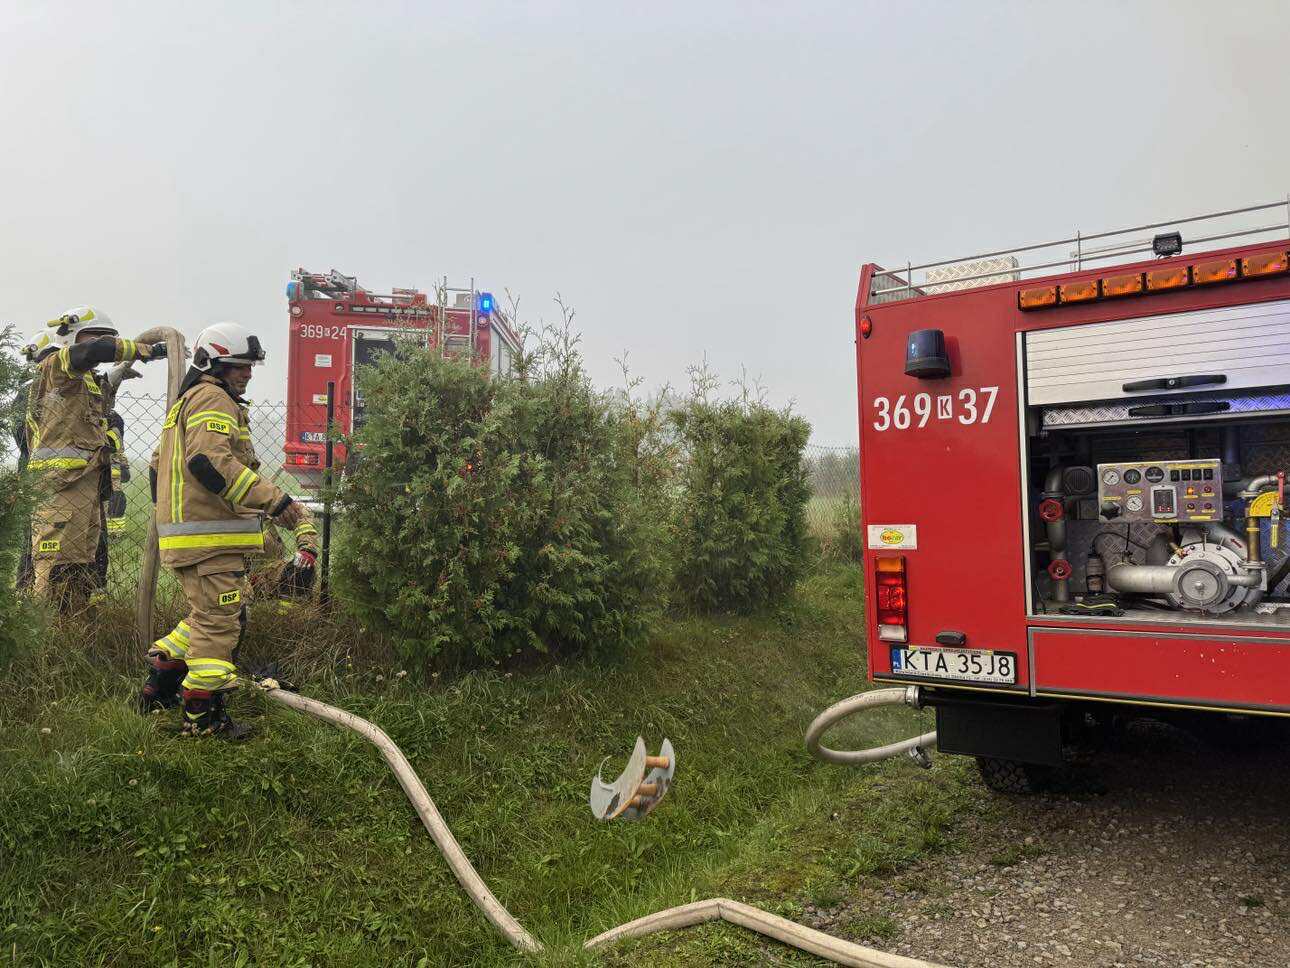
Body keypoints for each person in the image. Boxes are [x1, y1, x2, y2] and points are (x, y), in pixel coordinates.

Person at [140, 322, 317, 738]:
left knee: (209, 614)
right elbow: (210, 463)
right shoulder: (213, 399)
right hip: (207, 540)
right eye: (239, 365)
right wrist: (275, 501)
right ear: (211, 364)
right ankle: (203, 717)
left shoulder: (189, 401)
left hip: (194, 537)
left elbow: (157, 467)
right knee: (220, 623)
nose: (248, 373)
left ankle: (164, 673)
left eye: (250, 366)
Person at [25, 308, 165, 612]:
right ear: (73, 336)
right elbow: (94, 351)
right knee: (54, 565)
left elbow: (92, 412)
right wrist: (145, 351)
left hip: (86, 483)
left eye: (109, 336)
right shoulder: (56, 364)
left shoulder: (85, 379)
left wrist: (115, 377)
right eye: (96, 334)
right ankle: (44, 630)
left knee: (80, 563)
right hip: (59, 487)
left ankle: (73, 623)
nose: (104, 341)